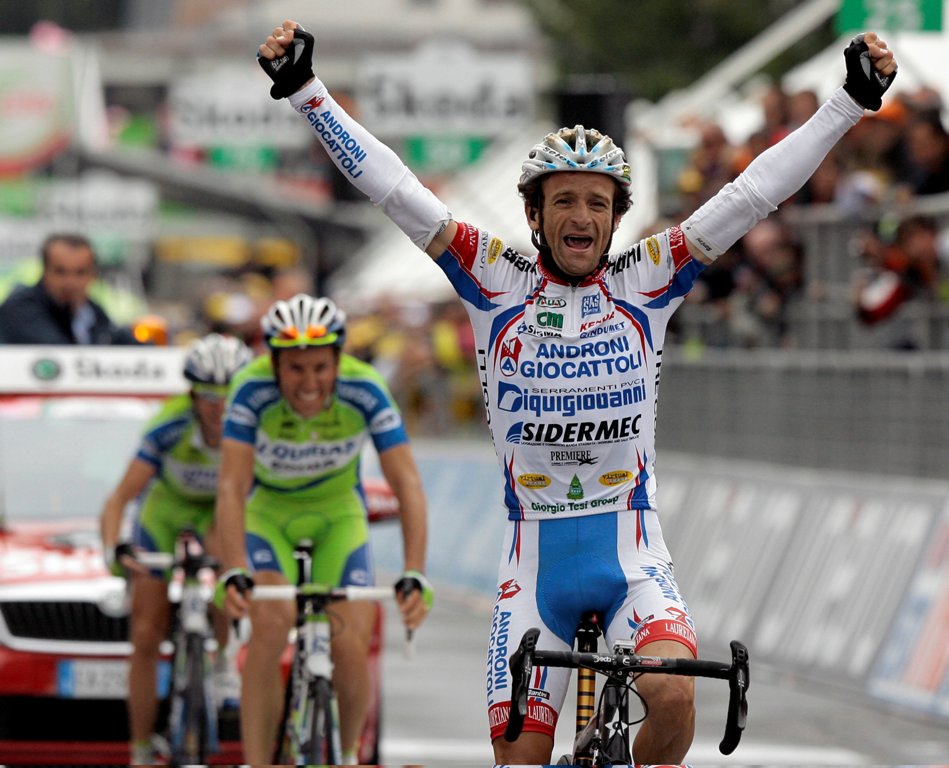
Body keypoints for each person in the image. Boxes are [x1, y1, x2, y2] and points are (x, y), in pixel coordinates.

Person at [257, 21, 897, 764]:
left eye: (597, 204)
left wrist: (848, 103)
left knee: (674, 698)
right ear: (533, 214)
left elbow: (751, 193)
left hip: (631, 561)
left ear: (616, 216)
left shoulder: (647, 280)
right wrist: (307, 93)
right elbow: (397, 190)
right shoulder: (493, 280)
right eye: (564, 202)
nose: (581, 218)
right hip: (533, 571)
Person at [214, 293, 432, 765]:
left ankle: (349, 752)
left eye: (320, 367)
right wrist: (233, 569)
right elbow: (231, 487)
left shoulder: (367, 388)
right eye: (295, 369)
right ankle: (256, 760)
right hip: (269, 514)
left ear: (338, 360)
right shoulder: (250, 390)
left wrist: (415, 571)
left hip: (339, 515)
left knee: (350, 643)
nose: (309, 383)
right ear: (273, 365)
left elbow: (407, 483)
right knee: (270, 626)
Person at [100, 333, 253, 765]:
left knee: (228, 549)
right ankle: (141, 747)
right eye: (208, 396)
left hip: (219, 512)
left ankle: (224, 659)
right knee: (146, 635)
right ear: (191, 393)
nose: (219, 407)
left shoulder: (255, 427)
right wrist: (115, 549)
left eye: (229, 395)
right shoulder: (170, 424)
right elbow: (117, 500)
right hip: (166, 512)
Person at [0, 233, 140, 345]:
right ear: (44, 271)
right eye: (61, 272)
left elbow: (118, 340)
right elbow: (59, 353)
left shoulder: (92, 312)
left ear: (93, 274)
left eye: (80, 272)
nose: (70, 282)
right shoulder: (21, 308)